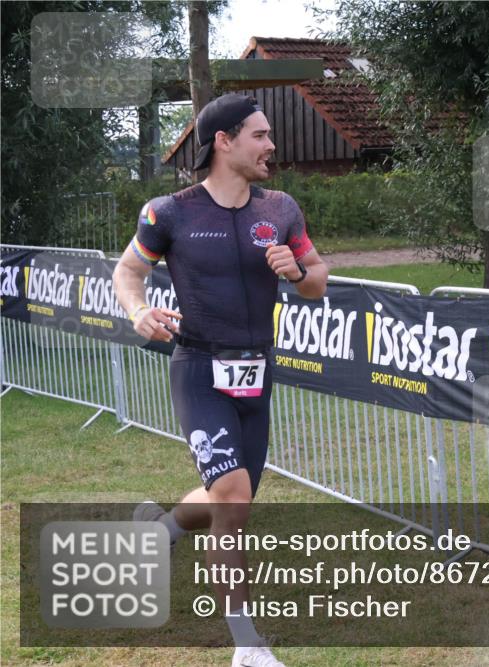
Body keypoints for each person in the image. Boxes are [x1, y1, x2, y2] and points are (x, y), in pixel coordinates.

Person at [113, 93, 328, 667]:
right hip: (199, 370)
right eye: (260, 135)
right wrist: (138, 310)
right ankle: (247, 647)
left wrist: (298, 271)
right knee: (231, 497)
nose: (271, 145)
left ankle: (160, 532)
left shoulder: (280, 209)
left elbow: (318, 279)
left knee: (230, 498)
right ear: (224, 142)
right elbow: (128, 270)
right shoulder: (170, 212)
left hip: (258, 371)